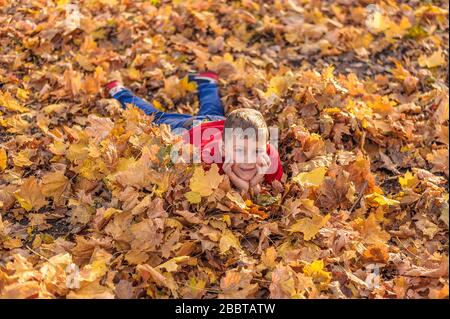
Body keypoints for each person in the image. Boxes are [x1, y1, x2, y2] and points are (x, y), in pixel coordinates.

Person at [105, 71, 283, 194]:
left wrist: (250, 182)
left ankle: (207, 82)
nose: (249, 159)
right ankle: (120, 92)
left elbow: (265, 194)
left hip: (219, 124)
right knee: (156, 117)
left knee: (213, 108)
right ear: (224, 147)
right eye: (239, 151)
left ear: (266, 146)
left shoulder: (270, 158)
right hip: (190, 129)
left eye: (256, 151)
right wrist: (244, 183)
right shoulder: (207, 158)